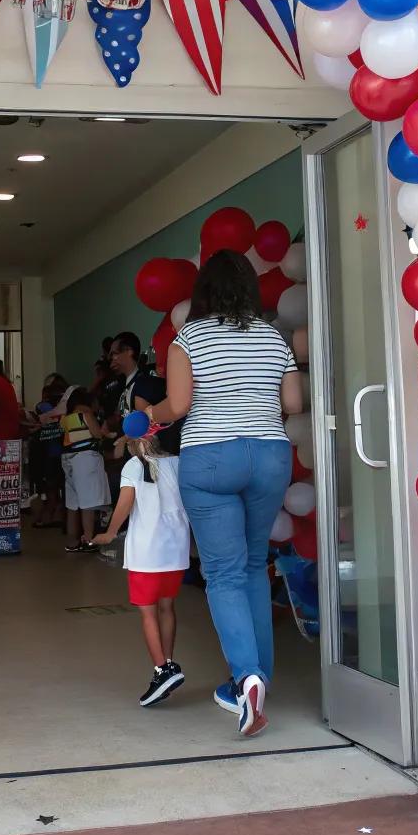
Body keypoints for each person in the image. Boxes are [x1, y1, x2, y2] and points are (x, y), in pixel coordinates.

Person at [146, 250, 302, 739]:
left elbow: (181, 404)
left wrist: (154, 413)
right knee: (254, 564)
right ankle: (259, 679)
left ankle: (245, 678)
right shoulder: (273, 337)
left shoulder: (188, 338)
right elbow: (293, 402)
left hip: (211, 455)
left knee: (223, 573)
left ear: (203, 291)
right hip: (269, 454)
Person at [90, 426, 190, 707]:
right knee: (167, 607)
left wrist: (109, 533)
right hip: (176, 548)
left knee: (147, 613)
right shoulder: (177, 462)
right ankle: (167, 663)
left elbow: (125, 501)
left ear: (134, 441)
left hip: (147, 551)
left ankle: (161, 670)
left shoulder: (134, 465)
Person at [59, 386, 113, 551]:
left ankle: (72, 542)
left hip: (68, 460)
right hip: (85, 460)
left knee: (73, 503)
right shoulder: (86, 415)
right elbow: (97, 434)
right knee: (88, 502)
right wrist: (106, 432)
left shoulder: (65, 418)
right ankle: (89, 540)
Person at [28, 373, 67, 527]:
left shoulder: (43, 407)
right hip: (64, 451)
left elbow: (40, 415)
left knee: (50, 486)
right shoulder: (66, 409)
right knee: (62, 486)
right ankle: (59, 514)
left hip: (49, 453)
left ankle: (51, 513)